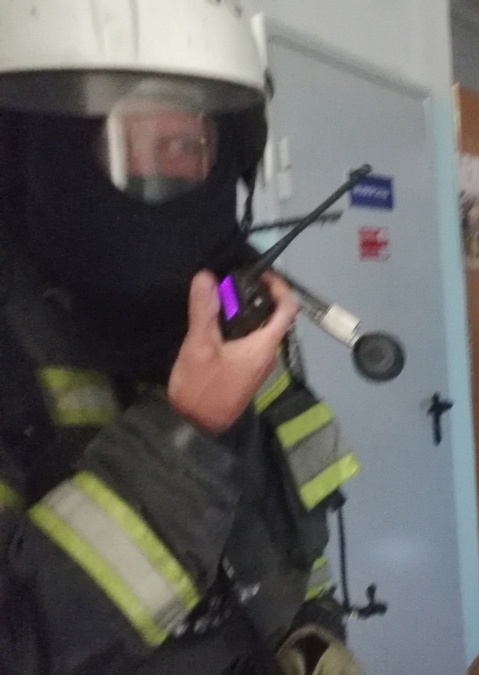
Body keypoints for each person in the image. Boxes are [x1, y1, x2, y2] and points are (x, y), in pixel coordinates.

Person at [0, 5, 362, 674]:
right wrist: (186, 432)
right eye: (118, 145)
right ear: (38, 152)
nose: (152, 178)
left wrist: (314, 637)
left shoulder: (241, 313)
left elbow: (290, 532)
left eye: (181, 148)